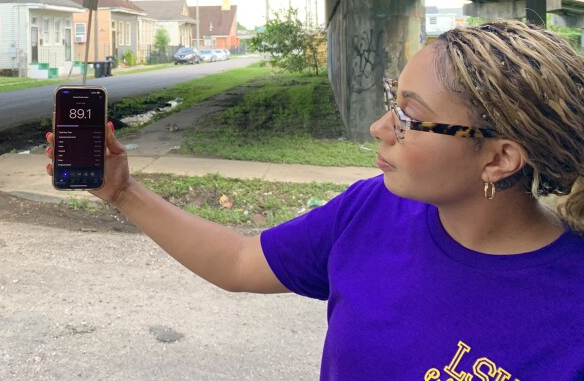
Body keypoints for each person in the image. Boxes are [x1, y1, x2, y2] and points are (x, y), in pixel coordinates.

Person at [45, 20, 584, 379]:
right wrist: (122, 192)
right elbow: (238, 261)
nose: (379, 128)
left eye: (410, 119)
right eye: (389, 104)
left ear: (500, 159)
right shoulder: (372, 209)